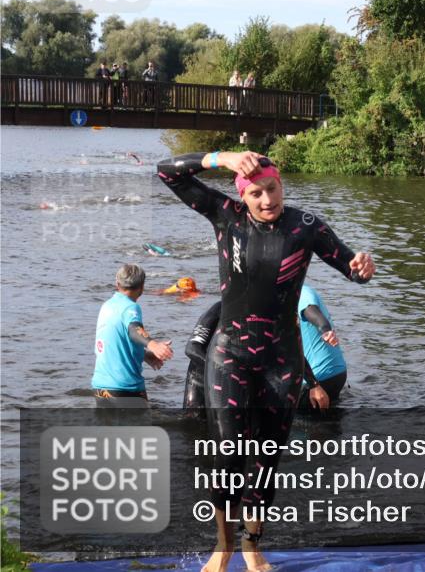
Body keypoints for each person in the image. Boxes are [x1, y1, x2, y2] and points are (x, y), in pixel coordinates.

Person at [156, 151, 374, 572]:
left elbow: (353, 269)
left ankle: (253, 548)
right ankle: (222, 547)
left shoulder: (305, 227)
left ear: (281, 185)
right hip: (230, 355)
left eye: (272, 188)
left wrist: (364, 267)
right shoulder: (226, 216)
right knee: (228, 456)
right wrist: (220, 158)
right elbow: (167, 172)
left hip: (282, 362)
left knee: (265, 462)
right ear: (244, 194)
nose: (267, 199)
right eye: (256, 193)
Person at [181, 285, 347, 417]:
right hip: (202, 378)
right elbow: (192, 349)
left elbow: (289, 350)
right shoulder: (217, 311)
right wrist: (225, 373)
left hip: (229, 379)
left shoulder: (258, 317)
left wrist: (313, 384)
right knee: (196, 423)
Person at [92, 264, 174, 407]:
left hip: (101, 387)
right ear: (142, 287)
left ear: (117, 284)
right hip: (124, 388)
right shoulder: (130, 307)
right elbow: (133, 329)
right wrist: (153, 345)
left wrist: (143, 355)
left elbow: (117, 341)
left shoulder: (107, 306)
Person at [298, 284, 348, 413]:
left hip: (317, 378)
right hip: (336, 373)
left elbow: (312, 312)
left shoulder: (301, 294)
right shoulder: (302, 291)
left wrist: (325, 330)